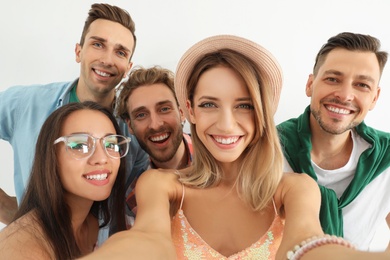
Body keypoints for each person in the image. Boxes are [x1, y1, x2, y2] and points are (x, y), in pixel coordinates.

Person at [80, 35, 390, 260]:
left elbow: (307, 243)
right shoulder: (161, 185)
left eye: (243, 105)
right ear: (190, 111)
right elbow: (148, 241)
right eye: (209, 104)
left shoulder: (295, 189)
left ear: (262, 114)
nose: (227, 124)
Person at [0, 3, 149, 226]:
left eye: (120, 52)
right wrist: (7, 209)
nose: (107, 60)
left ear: (128, 67)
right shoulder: (26, 104)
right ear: (79, 52)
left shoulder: (135, 130)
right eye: (98, 44)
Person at [277, 32, 390, 251]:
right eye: (333, 79)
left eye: (362, 85)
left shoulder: (387, 157)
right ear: (310, 84)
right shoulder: (267, 148)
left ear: (374, 98)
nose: (345, 94)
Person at [0, 101, 129, 259]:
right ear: (51, 156)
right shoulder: (20, 249)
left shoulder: (93, 222)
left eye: (111, 144)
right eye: (79, 145)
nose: (102, 159)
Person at [116, 65, 193, 225]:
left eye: (164, 109)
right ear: (130, 126)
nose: (155, 125)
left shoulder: (222, 157)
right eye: (141, 115)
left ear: (182, 112)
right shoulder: (134, 199)